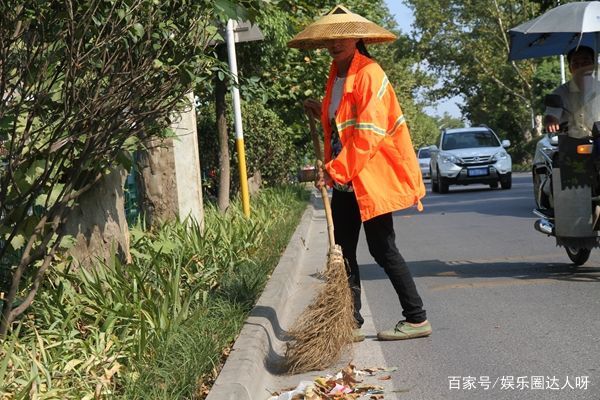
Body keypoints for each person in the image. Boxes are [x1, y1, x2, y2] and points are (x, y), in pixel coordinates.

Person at [288, 5, 431, 341]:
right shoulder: (337, 74)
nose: (336, 43)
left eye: (343, 37)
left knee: (383, 249)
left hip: (368, 176)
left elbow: (367, 135)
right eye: (331, 39)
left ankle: (416, 318)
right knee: (344, 249)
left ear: (358, 37)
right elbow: (341, 123)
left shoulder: (370, 73)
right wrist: (318, 109)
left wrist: (334, 170)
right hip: (345, 180)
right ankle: (349, 321)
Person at [545, 46, 597, 137]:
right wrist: (551, 122)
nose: (581, 66)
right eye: (576, 63)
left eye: (586, 62)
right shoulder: (560, 93)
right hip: (573, 142)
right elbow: (551, 115)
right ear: (570, 68)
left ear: (593, 65)